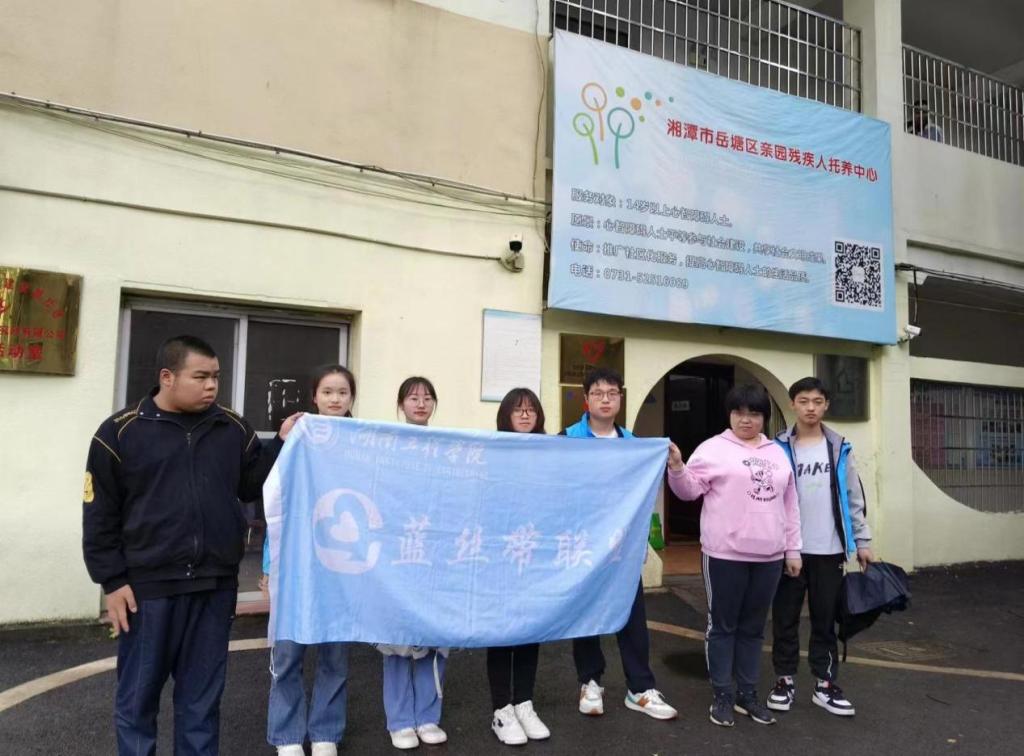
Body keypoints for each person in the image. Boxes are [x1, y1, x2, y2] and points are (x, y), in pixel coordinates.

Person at [82, 335, 301, 755]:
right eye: (200, 377)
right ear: (167, 377)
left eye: (216, 376)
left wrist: (281, 443)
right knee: (137, 702)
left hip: (214, 586)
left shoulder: (231, 428)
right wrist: (112, 580)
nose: (211, 386)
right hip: (147, 590)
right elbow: (99, 514)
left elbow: (253, 485)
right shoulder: (120, 432)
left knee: (201, 704)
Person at [667, 383, 800, 728]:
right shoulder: (713, 448)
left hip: (769, 556)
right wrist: (678, 467)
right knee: (723, 626)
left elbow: (790, 504)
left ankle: (747, 694)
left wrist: (792, 549)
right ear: (729, 415)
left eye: (754, 413)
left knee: (754, 629)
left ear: (764, 417)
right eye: (739, 412)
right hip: (724, 554)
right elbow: (688, 491)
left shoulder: (777, 453)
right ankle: (723, 694)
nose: (746, 419)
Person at [561, 367, 678, 722]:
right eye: (598, 393)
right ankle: (589, 682)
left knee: (632, 616)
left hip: (621, 548)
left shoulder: (634, 445)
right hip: (584, 544)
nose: (606, 399)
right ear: (586, 399)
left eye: (612, 393)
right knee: (586, 615)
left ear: (620, 399)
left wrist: (670, 459)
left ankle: (639, 687)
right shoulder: (566, 440)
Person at [261, 365, 358, 756]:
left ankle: (325, 733)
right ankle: (287, 736)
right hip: (295, 559)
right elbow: (274, 500)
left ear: (352, 398)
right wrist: (268, 564)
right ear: (314, 396)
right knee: (288, 651)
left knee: (335, 653)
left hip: (342, 562)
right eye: (328, 392)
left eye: (342, 392)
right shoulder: (297, 437)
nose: (335, 399)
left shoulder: (362, 441)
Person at [766, 377, 874, 718]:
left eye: (817, 401)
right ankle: (784, 681)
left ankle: (824, 684)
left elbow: (853, 497)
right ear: (792, 405)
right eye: (803, 401)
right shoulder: (776, 448)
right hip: (789, 550)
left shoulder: (840, 447)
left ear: (826, 405)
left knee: (825, 619)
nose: (810, 408)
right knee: (784, 619)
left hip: (829, 549)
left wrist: (863, 541)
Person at [378, 377, 450, 750]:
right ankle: (400, 720)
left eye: (427, 398)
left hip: (435, 554)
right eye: (412, 398)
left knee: (433, 636)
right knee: (397, 641)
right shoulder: (387, 446)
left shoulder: (447, 448)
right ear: (401, 404)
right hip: (399, 553)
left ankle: (428, 715)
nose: (420, 404)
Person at [488, 388, 552, 746]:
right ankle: (502, 709)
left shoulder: (550, 453)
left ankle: (524, 703)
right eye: (518, 410)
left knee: (530, 630)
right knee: (501, 633)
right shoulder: (492, 451)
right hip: (501, 556)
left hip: (535, 556)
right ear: (506, 416)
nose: (525, 415)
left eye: (531, 410)